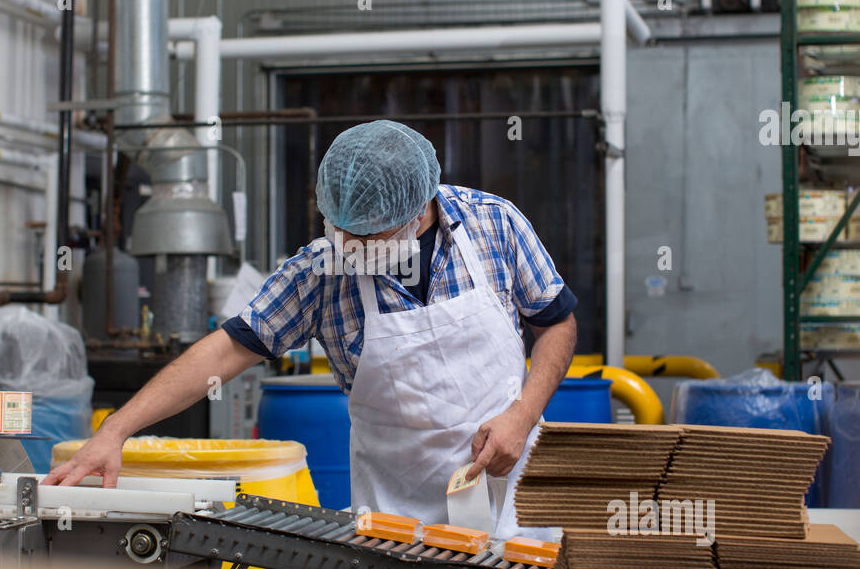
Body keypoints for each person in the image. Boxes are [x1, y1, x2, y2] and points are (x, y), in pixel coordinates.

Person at [45, 120, 577, 538]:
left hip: (514, 502)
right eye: (341, 230)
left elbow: (556, 324)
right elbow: (225, 352)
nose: (351, 247)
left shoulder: (493, 224)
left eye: (369, 237)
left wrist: (522, 415)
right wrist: (115, 430)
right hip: (398, 526)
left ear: (418, 212)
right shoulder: (321, 272)